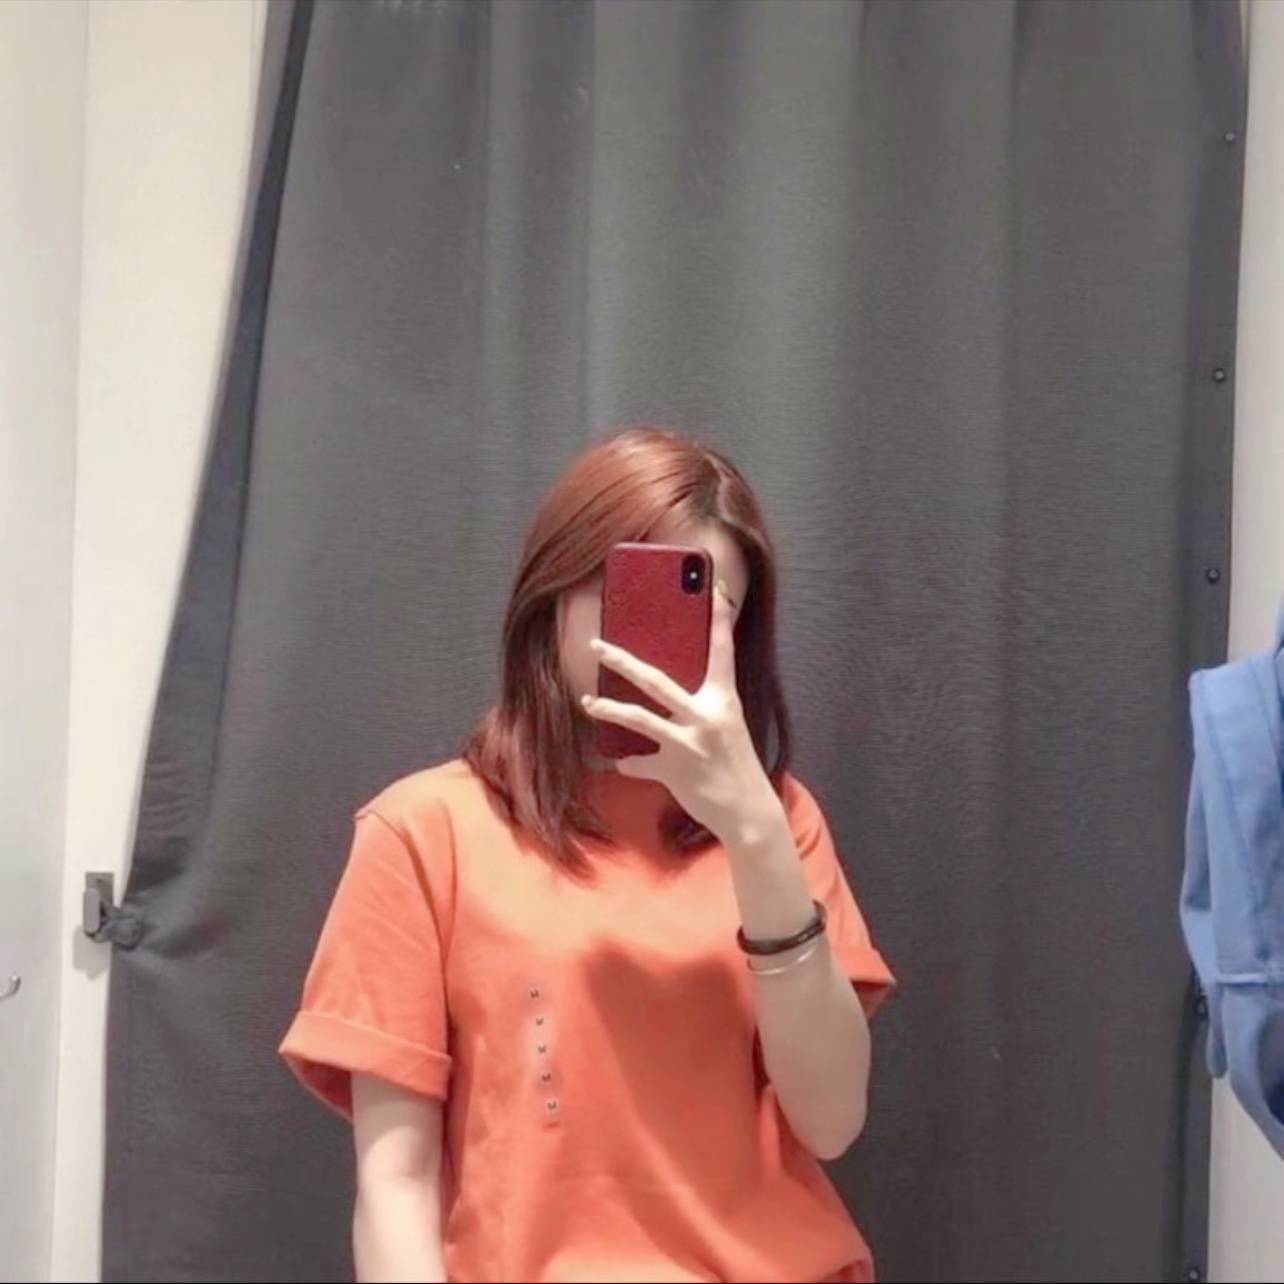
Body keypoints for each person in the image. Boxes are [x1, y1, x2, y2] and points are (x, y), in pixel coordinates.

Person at [280, 426, 895, 1283]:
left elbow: (829, 1121)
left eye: (707, 607)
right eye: (629, 590)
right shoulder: (425, 830)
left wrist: (752, 830)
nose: (656, 636)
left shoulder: (779, 822)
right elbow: (395, 1184)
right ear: (554, 594)